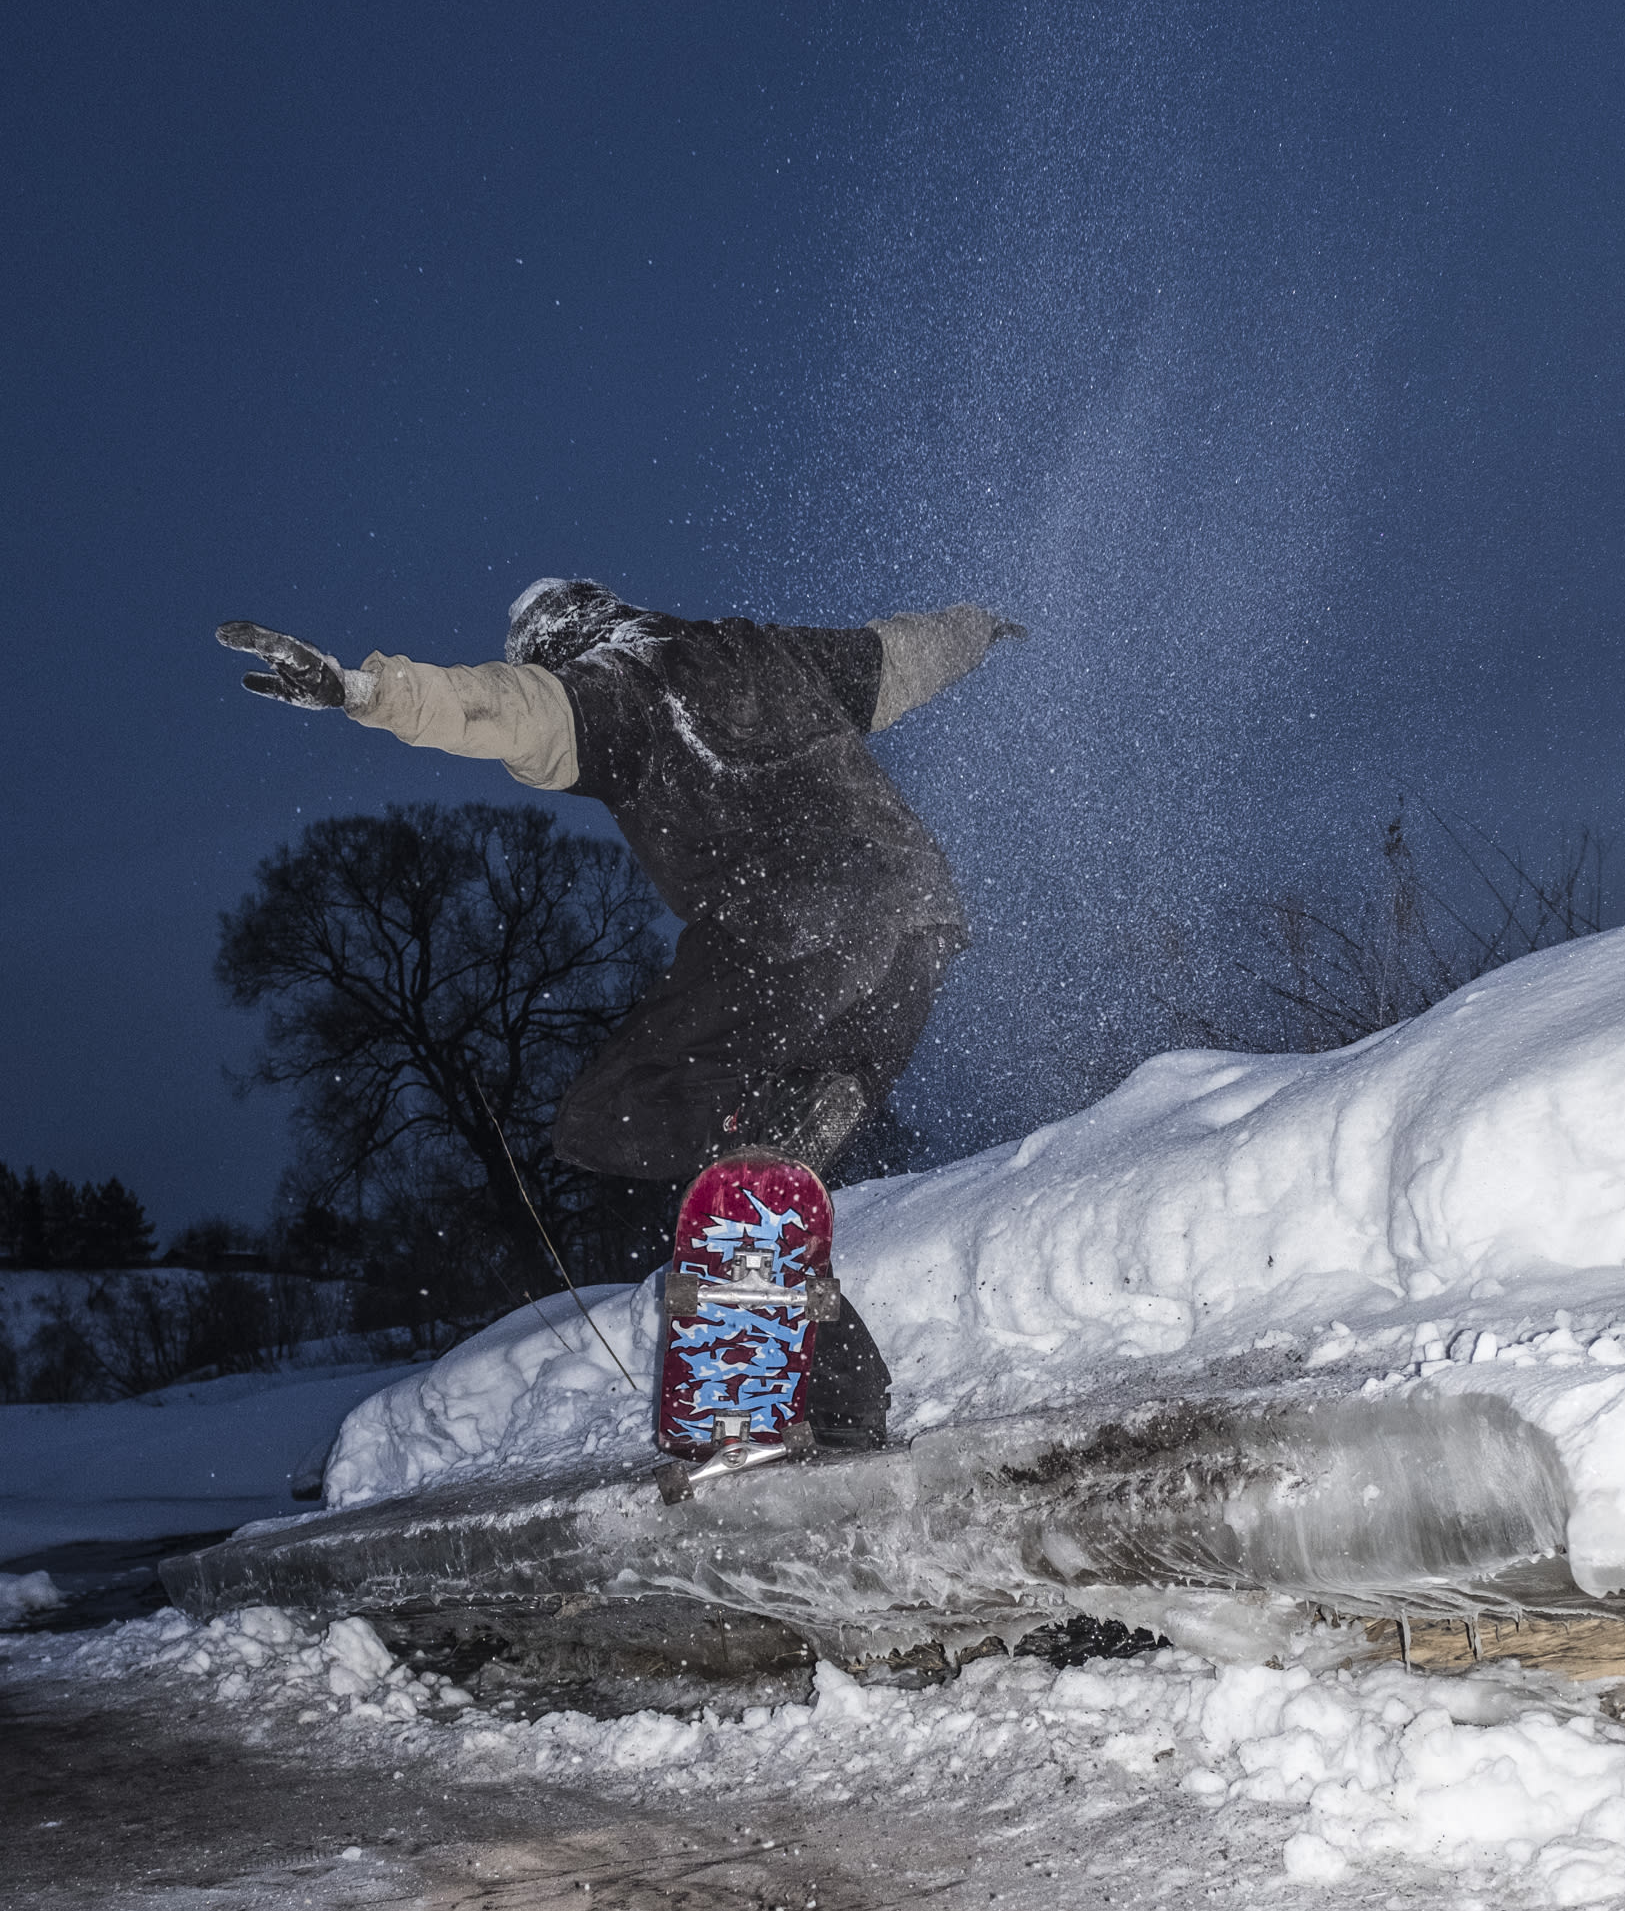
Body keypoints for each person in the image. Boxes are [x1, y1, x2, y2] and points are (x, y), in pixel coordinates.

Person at [218, 582, 1025, 1445]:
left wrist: (360, 691)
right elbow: (901, 655)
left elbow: (496, 710)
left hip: (785, 935)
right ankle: (834, 1382)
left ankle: (760, 1144)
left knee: (606, 1116)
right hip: (920, 927)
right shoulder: (768, 649)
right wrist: (979, 627)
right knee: (757, 1184)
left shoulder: (616, 689)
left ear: (557, 646)